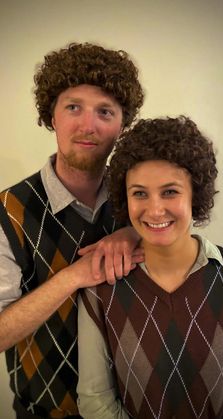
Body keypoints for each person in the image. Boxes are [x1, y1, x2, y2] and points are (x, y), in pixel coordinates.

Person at [0, 42, 144, 418]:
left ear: (122, 124)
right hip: (42, 411)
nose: (88, 125)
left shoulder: (142, 201)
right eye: (74, 107)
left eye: (105, 111)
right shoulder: (8, 211)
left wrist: (135, 232)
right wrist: (75, 276)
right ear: (52, 114)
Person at [78, 116, 223, 418]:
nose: (154, 209)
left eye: (170, 191)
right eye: (140, 193)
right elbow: (94, 399)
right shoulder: (100, 288)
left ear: (196, 195)